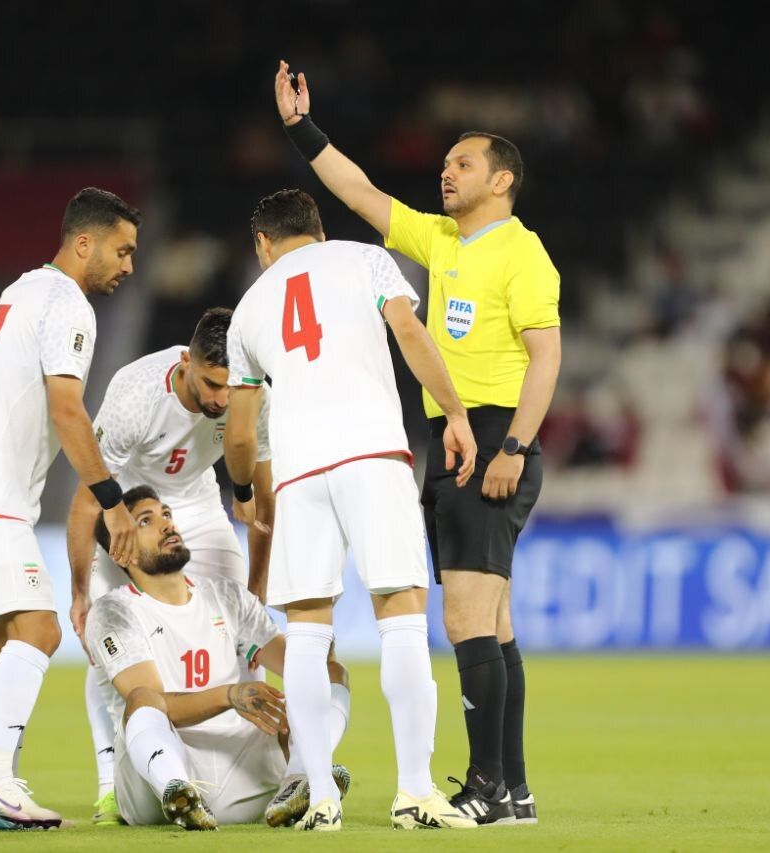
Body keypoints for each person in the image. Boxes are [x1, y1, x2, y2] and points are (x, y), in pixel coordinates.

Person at [273, 61, 562, 825]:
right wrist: (304, 129)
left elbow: (548, 356)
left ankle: (486, 788)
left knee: (466, 618)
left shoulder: (522, 252)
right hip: (459, 437)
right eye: (443, 164)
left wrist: (515, 448)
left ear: (501, 180)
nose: (446, 172)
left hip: (494, 435)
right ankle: (516, 790)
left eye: (462, 163)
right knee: (493, 625)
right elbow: (362, 193)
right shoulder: (442, 242)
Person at [222, 188, 478, 831]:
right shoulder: (363, 259)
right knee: (401, 618)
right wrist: (453, 412)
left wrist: (246, 491)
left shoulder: (248, 310)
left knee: (306, 632)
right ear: (318, 229)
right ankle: (415, 792)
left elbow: (242, 434)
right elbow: (409, 332)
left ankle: (321, 798)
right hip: (373, 454)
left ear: (262, 246)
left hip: (302, 474)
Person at [0, 187, 141, 829]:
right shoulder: (68, 303)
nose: (129, 266)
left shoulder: (22, 289)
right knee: (40, 629)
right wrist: (113, 504)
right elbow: (67, 410)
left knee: (8, 641)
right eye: (122, 252)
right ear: (84, 243)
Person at [67, 307, 275, 824]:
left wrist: (257, 585)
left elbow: (264, 501)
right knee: (107, 646)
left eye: (230, 388)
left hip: (201, 505)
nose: (221, 400)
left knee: (244, 632)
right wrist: (80, 592)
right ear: (186, 362)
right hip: (132, 509)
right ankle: (112, 782)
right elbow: (88, 498)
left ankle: (246, 760)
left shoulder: (253, 394)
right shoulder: (137, 393)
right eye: (210, 384)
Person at [86, 485, 352, 829]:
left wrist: (318, 623)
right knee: (142, 700)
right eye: (145, 521)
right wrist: (230, 696)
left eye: (166, 514)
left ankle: (302, 778)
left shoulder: (224, 595)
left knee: (328, 671)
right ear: (121, 551)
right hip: (154, 784)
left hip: (241, 768)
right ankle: (177, 791)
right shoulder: (114, 611)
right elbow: (152, 700)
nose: (167, 525)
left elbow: (296, 665)